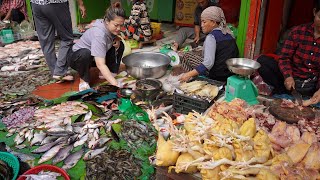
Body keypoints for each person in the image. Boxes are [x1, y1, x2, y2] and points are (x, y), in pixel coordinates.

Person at [257, 0, 320, 107]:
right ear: (314, 12)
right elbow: (284, 58)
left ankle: (298, 96)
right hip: (292, 81)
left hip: (312, 84)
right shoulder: (298, 32)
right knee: (263, 61)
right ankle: (283, 91)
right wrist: (288, 76)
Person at [67, 5, 126, 91]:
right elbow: (100, 64)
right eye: (116, 25)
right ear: (107, 21)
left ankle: (108, 73)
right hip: (77, 58)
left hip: (93, 57)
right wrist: (116, 84)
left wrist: (116, 38)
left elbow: (111, 35)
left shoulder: (108, 26)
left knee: (120, 44)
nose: (119, 28)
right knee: (85, 53)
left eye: (121, 25)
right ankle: (84, 80)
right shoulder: (99, 34)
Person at [30, 0, 86, 82]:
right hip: (56, 3)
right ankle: (59, 72)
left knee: (46, 41)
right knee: (67, 38)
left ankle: (55, 72)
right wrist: (81, 4)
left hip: (36, 4)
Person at [178, 6, 239, 82]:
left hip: (216, 75)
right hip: (229, 74)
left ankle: (192, 80)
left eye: (204, 22)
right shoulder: (229, 34)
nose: (202, 25)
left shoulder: (212, 37)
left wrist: (188, 74)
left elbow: (208, 63)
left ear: (213, 22)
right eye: (201, 22)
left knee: (187, 56)